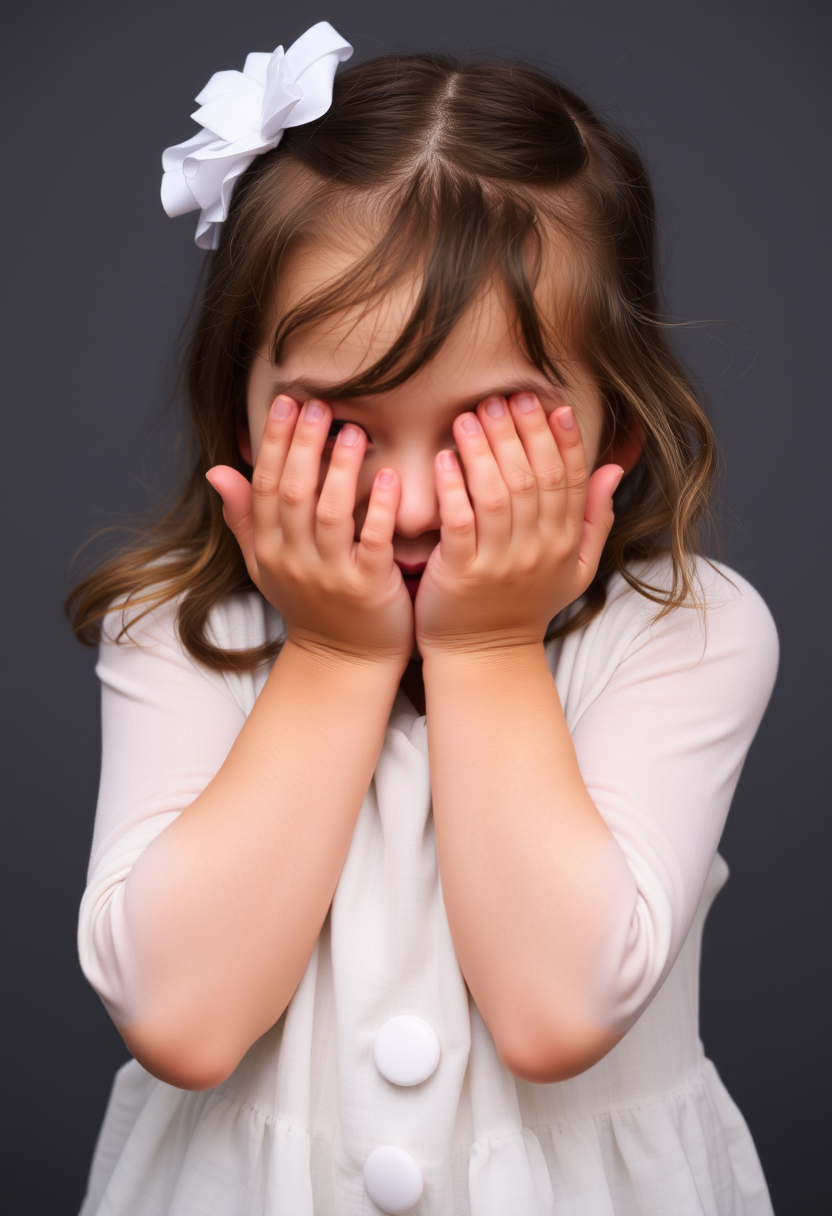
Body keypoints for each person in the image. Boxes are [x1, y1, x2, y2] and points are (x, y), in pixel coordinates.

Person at [66, 21, 779, 1216]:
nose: (402, 499)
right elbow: (182, 1023)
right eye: (340, 425)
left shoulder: (686, 629)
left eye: (487, 431)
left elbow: (557, 1013)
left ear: (613, 427)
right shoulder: (175, 629)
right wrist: (337, 653)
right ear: (238, 415)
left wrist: (489, 644)